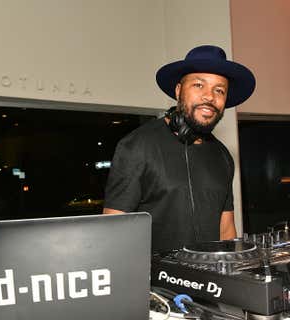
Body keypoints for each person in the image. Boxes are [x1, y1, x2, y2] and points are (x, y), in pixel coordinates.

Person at [103, 45, 256, 252]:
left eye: (219, 90)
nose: (209, 97)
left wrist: (232, 271)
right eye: (199, 85)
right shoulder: (138, 146)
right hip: (155, 282)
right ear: (178, 91)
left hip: (212, 280)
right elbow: (113, 233)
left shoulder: (223, 156)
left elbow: (226, 229)